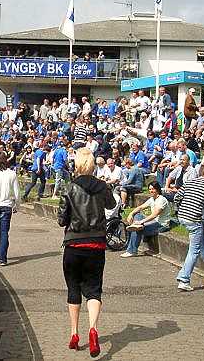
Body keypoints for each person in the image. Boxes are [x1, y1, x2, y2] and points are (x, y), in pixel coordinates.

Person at [57, 147, 115, 357]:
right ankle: (93, 329)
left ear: (77, 165)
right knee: (93, 289)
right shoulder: (102, 186)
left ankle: (74, 333)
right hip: (96, 245)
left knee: (73, 289)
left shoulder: (69, 187)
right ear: (92, 165)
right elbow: (112, 204)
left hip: (73, 244)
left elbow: (61, 219)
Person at [174, 164, 204, 291]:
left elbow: (177, 197)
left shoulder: (190, 182)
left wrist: (179, 209)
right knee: (194, 250)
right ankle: (184, 279)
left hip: (182, 216)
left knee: (201, 226)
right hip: (193, 219)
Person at [121, 182, 172, 257]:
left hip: (161, 224)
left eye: (153, 189)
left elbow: (155, 215)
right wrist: (131, 213)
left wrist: (141, 221)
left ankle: (131, 251)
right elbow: (141, 207)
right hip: (153, 222)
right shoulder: (152, 199)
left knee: (137, 229)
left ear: (157, 189)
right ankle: (136, 226)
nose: (151, 191)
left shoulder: (162, 200)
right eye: (150, 189)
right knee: (137, 215)